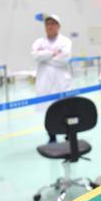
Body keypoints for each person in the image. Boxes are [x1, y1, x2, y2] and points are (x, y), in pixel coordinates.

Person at [31, 14, 72, 143]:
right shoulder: (38, 42)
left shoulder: (65, 41)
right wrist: (52, 53)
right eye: (47, 24)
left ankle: (69, 134)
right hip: (45, 82)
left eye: (53, 24)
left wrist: (45, 58)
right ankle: (52, 136)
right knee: (48, 111)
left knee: (66, 110)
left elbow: (64, 58)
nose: (50, 26)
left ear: (58, 26)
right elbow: (35, 56)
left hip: (62, 82)